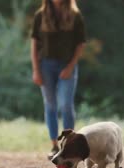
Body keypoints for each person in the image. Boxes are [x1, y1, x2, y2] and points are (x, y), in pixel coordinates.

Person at [30, 0, 86, 159]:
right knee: (50, 105)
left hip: (67, 64)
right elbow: (34, 44)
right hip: (45, 66)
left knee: (66, 105)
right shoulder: (40, 16)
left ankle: (69, 144)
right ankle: (54, 145)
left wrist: (70, 67)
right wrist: (36, 70)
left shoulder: (75, 16)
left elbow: (80, 44)